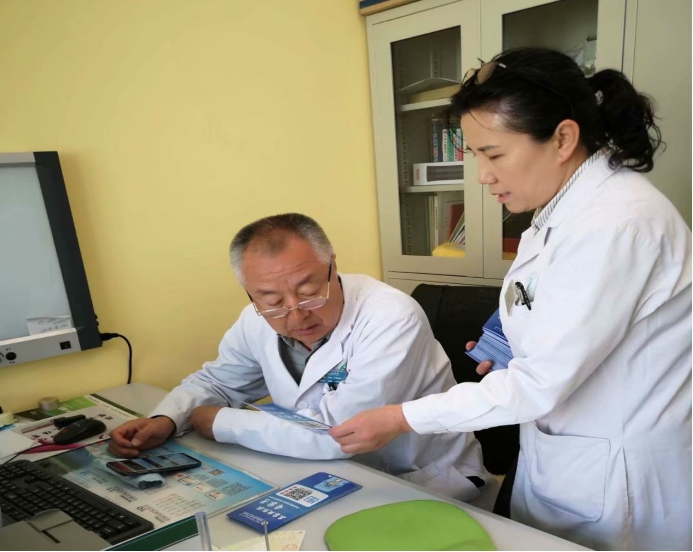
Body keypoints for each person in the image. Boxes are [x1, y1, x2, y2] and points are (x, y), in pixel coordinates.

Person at [328, 47, 692, 551]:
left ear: (562, 138)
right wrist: (509, 349)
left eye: (494, 154)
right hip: (568, 455)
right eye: (475, 155)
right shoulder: (564, 208)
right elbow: (551, 314)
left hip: (617, 475)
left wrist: (399, 418)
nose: (482, 175)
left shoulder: (615, 223)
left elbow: (541, 381)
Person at [108, 213, 497, 507]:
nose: (296, 316)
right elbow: (219, 381)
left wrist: (219, 422)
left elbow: (339, 434)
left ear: (332, 266)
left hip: (422, 483)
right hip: (323, 474)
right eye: (272, 301)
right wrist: (167, 418)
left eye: (309, 292)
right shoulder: (255, 319)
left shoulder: (390, 316)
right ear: (251, 294)